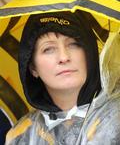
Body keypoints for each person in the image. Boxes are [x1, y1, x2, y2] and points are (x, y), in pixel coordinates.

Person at [5, 10, 120, 145]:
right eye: (48, 49)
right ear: (33, 68)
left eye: (73, 44)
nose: (64, 57)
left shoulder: (116, 116)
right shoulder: (20, 136)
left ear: (90, 52)